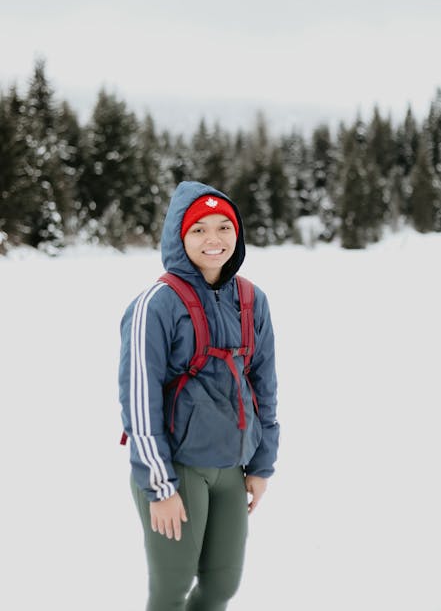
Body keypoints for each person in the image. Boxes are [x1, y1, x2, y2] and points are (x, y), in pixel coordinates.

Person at [119, 180, 280, 611]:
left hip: (232, 468)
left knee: (220, 588)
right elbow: (139, 399)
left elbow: (264, 387)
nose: (214, 239)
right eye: (199, 229)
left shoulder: (251, 299)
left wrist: (262, 464)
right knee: (171, 591)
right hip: (176, 470)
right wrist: (160, 486)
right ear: (179, 236)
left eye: (224, 227)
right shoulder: (155, 303)